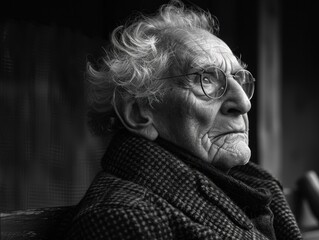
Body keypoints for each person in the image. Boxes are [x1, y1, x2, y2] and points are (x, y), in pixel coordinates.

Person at [64, 1, 302, 239]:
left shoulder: (248, 188)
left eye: (239, 79)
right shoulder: (119, 220)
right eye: (206, 80)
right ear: (138, 113)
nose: (243, 103)